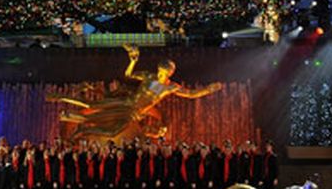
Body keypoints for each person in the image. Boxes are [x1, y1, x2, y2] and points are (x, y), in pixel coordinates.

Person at [49, 45, 222, 140]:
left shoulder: (171, 87)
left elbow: (191, 94)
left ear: (170, 73)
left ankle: (82, 131)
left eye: (164, 73)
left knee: (111, 132)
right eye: (160, 71)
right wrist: (133, 61)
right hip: (127, 103)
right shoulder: (148, 76)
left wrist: (208, 89)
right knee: (91, 105)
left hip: (135, 114)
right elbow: (128, 75)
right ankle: (59, 97)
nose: (160, 75)